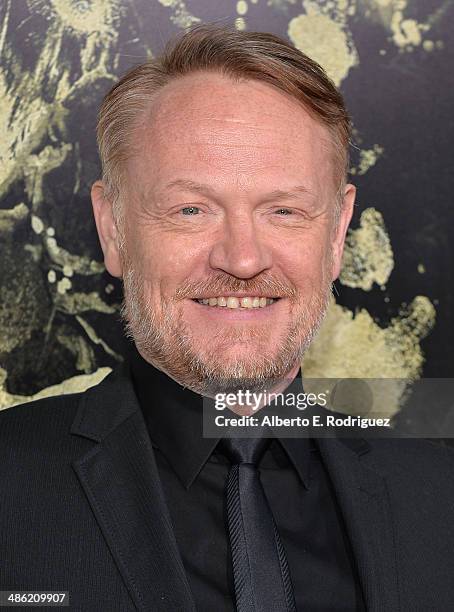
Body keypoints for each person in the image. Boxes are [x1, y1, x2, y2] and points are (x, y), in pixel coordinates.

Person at [1, 24, 453, 612]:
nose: (242, 258)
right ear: (113, 228)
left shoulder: (437, 492)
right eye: (192, 209)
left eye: (284, 210)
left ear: (338, 233)